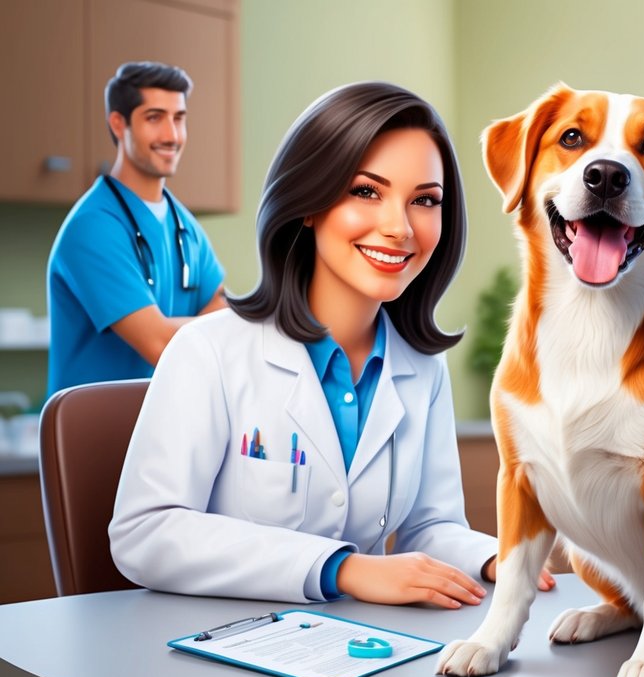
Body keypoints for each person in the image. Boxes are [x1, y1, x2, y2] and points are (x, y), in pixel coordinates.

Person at [111, 82, 552, 606]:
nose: (400, 227)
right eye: (366, 191)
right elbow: (145, 534)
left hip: (358, 654)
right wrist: (342, 569)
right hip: (223, 654)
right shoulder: (207, 352)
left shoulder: (422, 369)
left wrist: (491, 557)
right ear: (308, 203)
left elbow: (429, 527)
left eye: (424, 201)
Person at [47, 61, 227, 396]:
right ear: (119, 123)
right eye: (155, 118)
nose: (172, 135)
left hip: (166, 430)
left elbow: (223, 313)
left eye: (179, 118)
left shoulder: (185, 226)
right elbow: (159, 343)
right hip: (94, 436)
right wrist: (236, 324)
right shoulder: (93, 228)